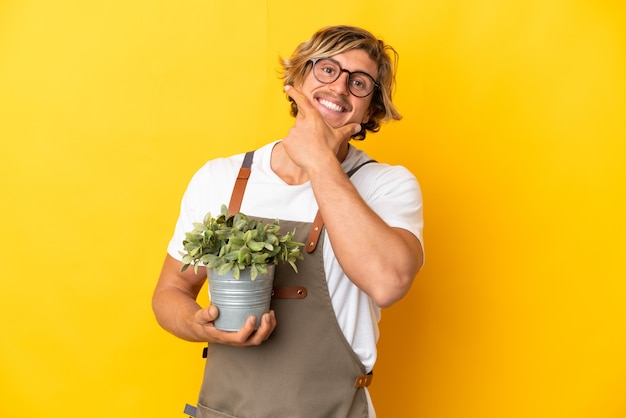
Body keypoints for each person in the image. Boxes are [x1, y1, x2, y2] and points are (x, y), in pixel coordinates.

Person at [152, 25, 424, 418]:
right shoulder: (219, 177)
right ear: (296, 78)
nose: (341, 87)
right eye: (328, 69)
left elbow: (387, 283)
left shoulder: (386, 185)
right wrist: (200, 326)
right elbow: (170, 291)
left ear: (371, 109)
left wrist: (318, 159)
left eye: (360, 82)